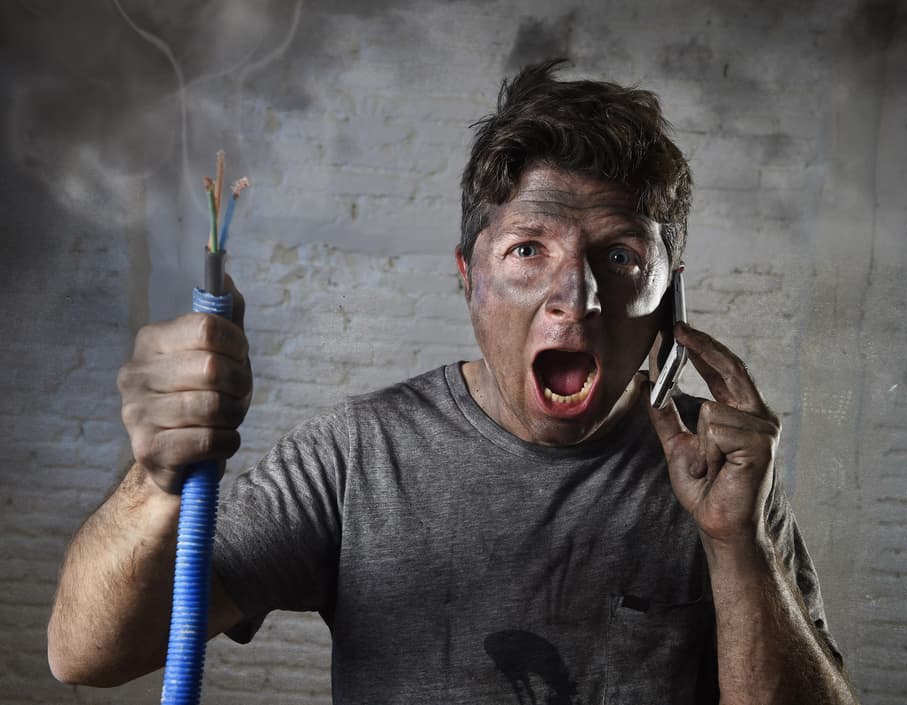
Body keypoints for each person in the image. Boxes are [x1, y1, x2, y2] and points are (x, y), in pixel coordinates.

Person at [48, 60, 858, 704]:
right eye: (527, 250)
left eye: (620, 257)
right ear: (468, 277)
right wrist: (154, 481)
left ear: (668, 298)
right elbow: (87, 652)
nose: (573, 299)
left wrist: (736, 547)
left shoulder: (725, 479)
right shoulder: (358, 458)